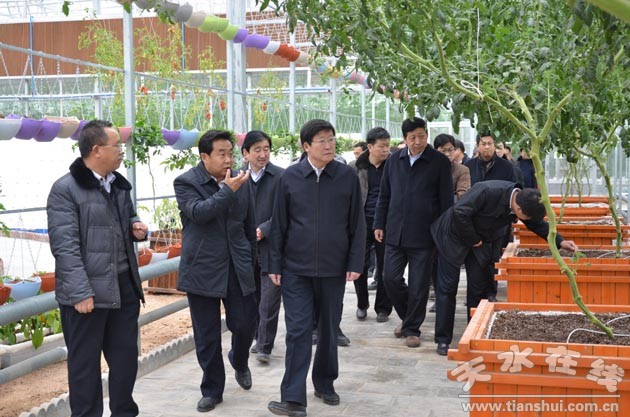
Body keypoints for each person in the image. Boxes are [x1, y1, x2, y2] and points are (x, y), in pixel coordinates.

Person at [47, 119, 149, 417]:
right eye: (116, 146)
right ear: (96, 150)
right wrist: (80, 292)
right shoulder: (65, 190)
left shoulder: (117, 183)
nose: (121, 152)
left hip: (123, 288)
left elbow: (125, 218)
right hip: (86, 294)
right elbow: (65, 246)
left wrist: (135, 226)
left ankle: (124, 412)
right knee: (84, 368)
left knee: (125, 361)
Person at [267, 119, 365, 417]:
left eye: (331, 139)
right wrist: (274, 263)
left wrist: (355, 261)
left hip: (334, 269)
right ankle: (293, 398)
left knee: (328, 330)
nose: (328, 145)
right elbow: (279, 223)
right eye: (321, 140)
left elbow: (357, 222)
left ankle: (325, 383)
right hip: (295, 269)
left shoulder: (347, 176)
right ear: (306, 146)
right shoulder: (290, 177)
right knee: (298, 331)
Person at [431, 181, 578, 355]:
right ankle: (443, 339)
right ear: (519, 210)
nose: (527, 221)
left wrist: (560, 241)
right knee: (447, 288)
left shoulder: (522, 202)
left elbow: (536, 224)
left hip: (480, 241)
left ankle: (473, 336)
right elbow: (460, 212)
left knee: (477, 288)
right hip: (453, 237)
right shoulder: (487, 191)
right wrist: (473, 239)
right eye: (526, 217)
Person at [174, 130, 257, 413]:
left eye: (230, 153)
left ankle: (240, 359)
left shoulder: (240, 181)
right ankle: (212, 390)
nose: (228, 159)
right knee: (207, 335)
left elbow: (249, 226)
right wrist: (226, 191)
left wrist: (251, 262)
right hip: (202, 268)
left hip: (237, 265)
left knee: (245, 324)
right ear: (204, 156)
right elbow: (199, 213)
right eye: (221, 154)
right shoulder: (186, 182)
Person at [373, 117, 453, 348]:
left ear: (426, 135)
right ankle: (409, 317)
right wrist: (379, 224)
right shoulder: (394, 160)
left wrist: (442, 234)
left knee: (419, 286)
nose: (418, 142)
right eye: (412, 138)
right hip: (395, 232)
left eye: (421, 136)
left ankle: (412, 329)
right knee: (390, 278)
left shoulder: (438, 162)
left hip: (424, 234)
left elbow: (446, 202)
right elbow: (384, 195)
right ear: (404, 139)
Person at [240, 130, 285, 364]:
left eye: (266, 149)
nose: (262, 154)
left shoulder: (281, 177)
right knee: (252, 296)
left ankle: (265, 345)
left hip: (272, 246)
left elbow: (285, 211)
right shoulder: (237, 177)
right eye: (257, 150)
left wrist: (264, 229)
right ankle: (257, 336)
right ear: (245, 153)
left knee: (269, 298)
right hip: (245, 247)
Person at [465, 132, 518, 302]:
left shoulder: (506, 167)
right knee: (474, 261)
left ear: (495, 146)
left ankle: (491, 292)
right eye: (483, 143)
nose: (487, 147)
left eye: (490, 143)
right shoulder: (469, 165)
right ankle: (474, 294)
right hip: (474, 222)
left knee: (492, 259)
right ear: (477, 146)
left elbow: (514, 192)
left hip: (497, 222)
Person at [351, 127, 393, 323]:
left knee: (385, 267)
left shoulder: (393, 165)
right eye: (381, 146)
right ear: (370, 147)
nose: (386, 150)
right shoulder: (356, 167)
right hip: (361, 222)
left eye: (388, 146)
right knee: (360, 264)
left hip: (385, 223)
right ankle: (362, 303)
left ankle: (383, 308)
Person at [428, 134, 472, 313]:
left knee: (448, 263)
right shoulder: (428, 168)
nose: (447, 154)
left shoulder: (462, 170)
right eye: (442, 150)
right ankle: (438, 296)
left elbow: (463, 196)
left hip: (451, 224)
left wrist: (439, 198)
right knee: (432, 262)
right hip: (430, 223)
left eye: (450, 150)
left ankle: (445, 300)